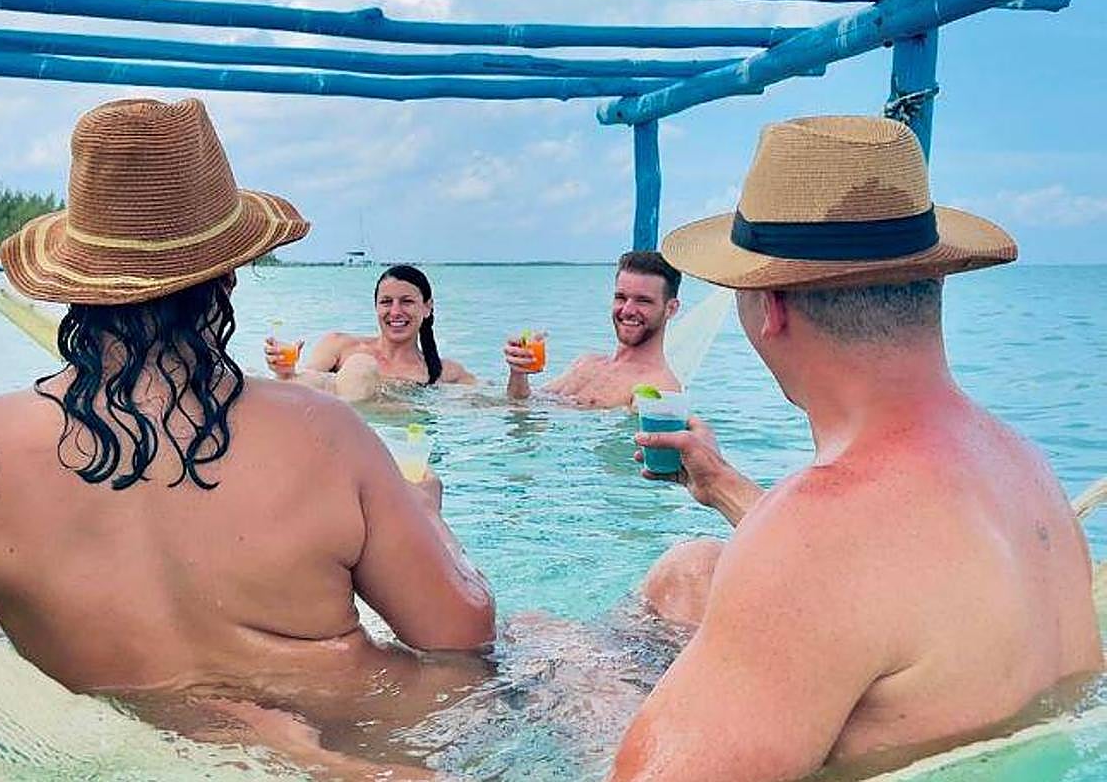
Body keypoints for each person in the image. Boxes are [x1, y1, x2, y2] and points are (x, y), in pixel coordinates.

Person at [0, 98, 494, 778]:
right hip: (350, 748)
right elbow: (461, 638)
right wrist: (428, 516)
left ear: (74, 281)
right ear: (228, 273)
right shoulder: (324, 432)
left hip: (122, 755)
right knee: (557, 644)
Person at [610, 116, 1102, 782]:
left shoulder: (816, 537)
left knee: (523, 670)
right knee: (690, 568)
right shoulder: (1025, 466)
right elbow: (887, 582)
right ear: (933, 282)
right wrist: (721, 483)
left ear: (770, 307)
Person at [503, 251, 682, 409]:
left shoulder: (659, 388)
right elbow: (523, 403)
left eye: (643, 301)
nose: (627, 310)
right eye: (621, 297)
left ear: (671, 309)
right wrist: (518, 373)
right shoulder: (588, 362)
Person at [266, 264, 476, 396]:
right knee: (360, 366)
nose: (395, 312)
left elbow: (493, 406)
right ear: (376, 307)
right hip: (346, 437)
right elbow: (302, 392)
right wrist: (286, 372)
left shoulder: (447, 373)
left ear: (427, 308)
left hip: (405, 442)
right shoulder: (339, 347)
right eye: (386, 302)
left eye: (407, 301)